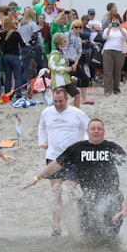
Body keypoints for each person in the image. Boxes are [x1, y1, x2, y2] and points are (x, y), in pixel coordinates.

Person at [24, 119, 127, 237]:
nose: (96, 131)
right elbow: (56, 164)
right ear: (87, 131)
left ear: (103, 132)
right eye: (93, 129)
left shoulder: (112, 147)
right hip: (89, 196)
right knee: (88, 232)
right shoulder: (77, 148)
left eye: (99, 129)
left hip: (111, 194)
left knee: (112, 227)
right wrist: (36, 179)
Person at [38, 88, 89, 236]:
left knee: (72, 189)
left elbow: (89, 128)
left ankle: (81, 220)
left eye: (61, 101)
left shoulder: (76, 113)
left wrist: (84, 141)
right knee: (56, 192)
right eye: (55, 101)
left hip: (73, 158)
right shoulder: (46, 112)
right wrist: (42, 142)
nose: (58, 104)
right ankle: (56, 226)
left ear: (67, 100)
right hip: (53, 156)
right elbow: (41, 127)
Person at [64, 19, 93, 105]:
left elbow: (79, 52)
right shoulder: (68, 35)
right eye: (76, 27)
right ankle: (65, 99)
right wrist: (66, 61)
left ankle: (84, 99)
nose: (78, 29)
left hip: (75, 61)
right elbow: (64, 49)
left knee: (84, 78)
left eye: (80, 27)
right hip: (67, 60)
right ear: (72, 27)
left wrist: (76, 63)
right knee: (66, 81)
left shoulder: (79, 38)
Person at [48, 33, 81, 108]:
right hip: (59, 81)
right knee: (60, 100)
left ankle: (76, 112)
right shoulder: (54, 54)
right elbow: (52, 66)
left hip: (66, 80)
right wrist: (64, 69)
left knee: (77, 95)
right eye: (64, 41)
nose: (66, 42)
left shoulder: (62, 52)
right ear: (60, 42)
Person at [102, 13, 127, 96]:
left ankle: (116, 88)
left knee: (117, 71)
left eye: (116, 20)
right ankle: (107, 90)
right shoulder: (107, 29)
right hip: (108, 50)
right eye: (113, 20)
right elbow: (104, 37)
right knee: (107, 71)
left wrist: (120, 29)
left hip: (119, 51)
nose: (115, 21)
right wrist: (109, 29)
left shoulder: (123, 30)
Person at [0, 17, 26, 99]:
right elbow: (22, 45)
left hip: (5, 56)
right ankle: (18, 93)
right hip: (14, 56)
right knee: (17, 76)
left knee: (8, 77)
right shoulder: (16, 33)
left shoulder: (1, 34)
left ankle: (7, 94)